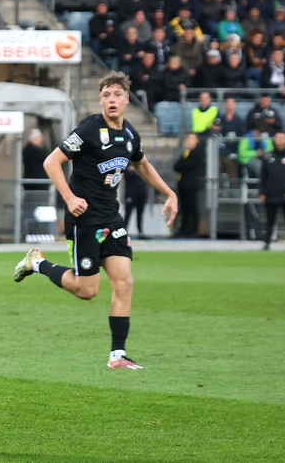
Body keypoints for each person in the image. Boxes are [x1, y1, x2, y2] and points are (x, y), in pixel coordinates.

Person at [14, 72, 178, 370]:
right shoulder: (90, 129)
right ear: (100, 100)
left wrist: (169, 192)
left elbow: (142, 164)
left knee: (124, 282)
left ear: (127, 99)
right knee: (87, 291)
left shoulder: (130, 135)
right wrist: (69, 197)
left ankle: (118, 354)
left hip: (111, 219)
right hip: (84, 219)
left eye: (117, 94)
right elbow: (51, 161)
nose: (111, 100)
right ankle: (36, 262)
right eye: (106, 95)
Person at [260, 131, 285, 251]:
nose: (279, 141)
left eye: (282, 138)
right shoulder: (268, 157)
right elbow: (263, 176)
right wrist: (262, 192)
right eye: (277, 138)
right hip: (271, 194)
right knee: (270, 221)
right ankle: (267, 243)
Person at [173, 133, 204, 238]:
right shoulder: (185, 153)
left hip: (191, 184)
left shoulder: (196, 153)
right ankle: (183, 230)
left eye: (191, 138)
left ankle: (194, 230)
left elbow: (185, 165)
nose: (189, 141)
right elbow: (176, 166)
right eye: (188, 138)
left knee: (192, 208)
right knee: (184, 208)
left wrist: (182, 164)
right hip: (182, 183)